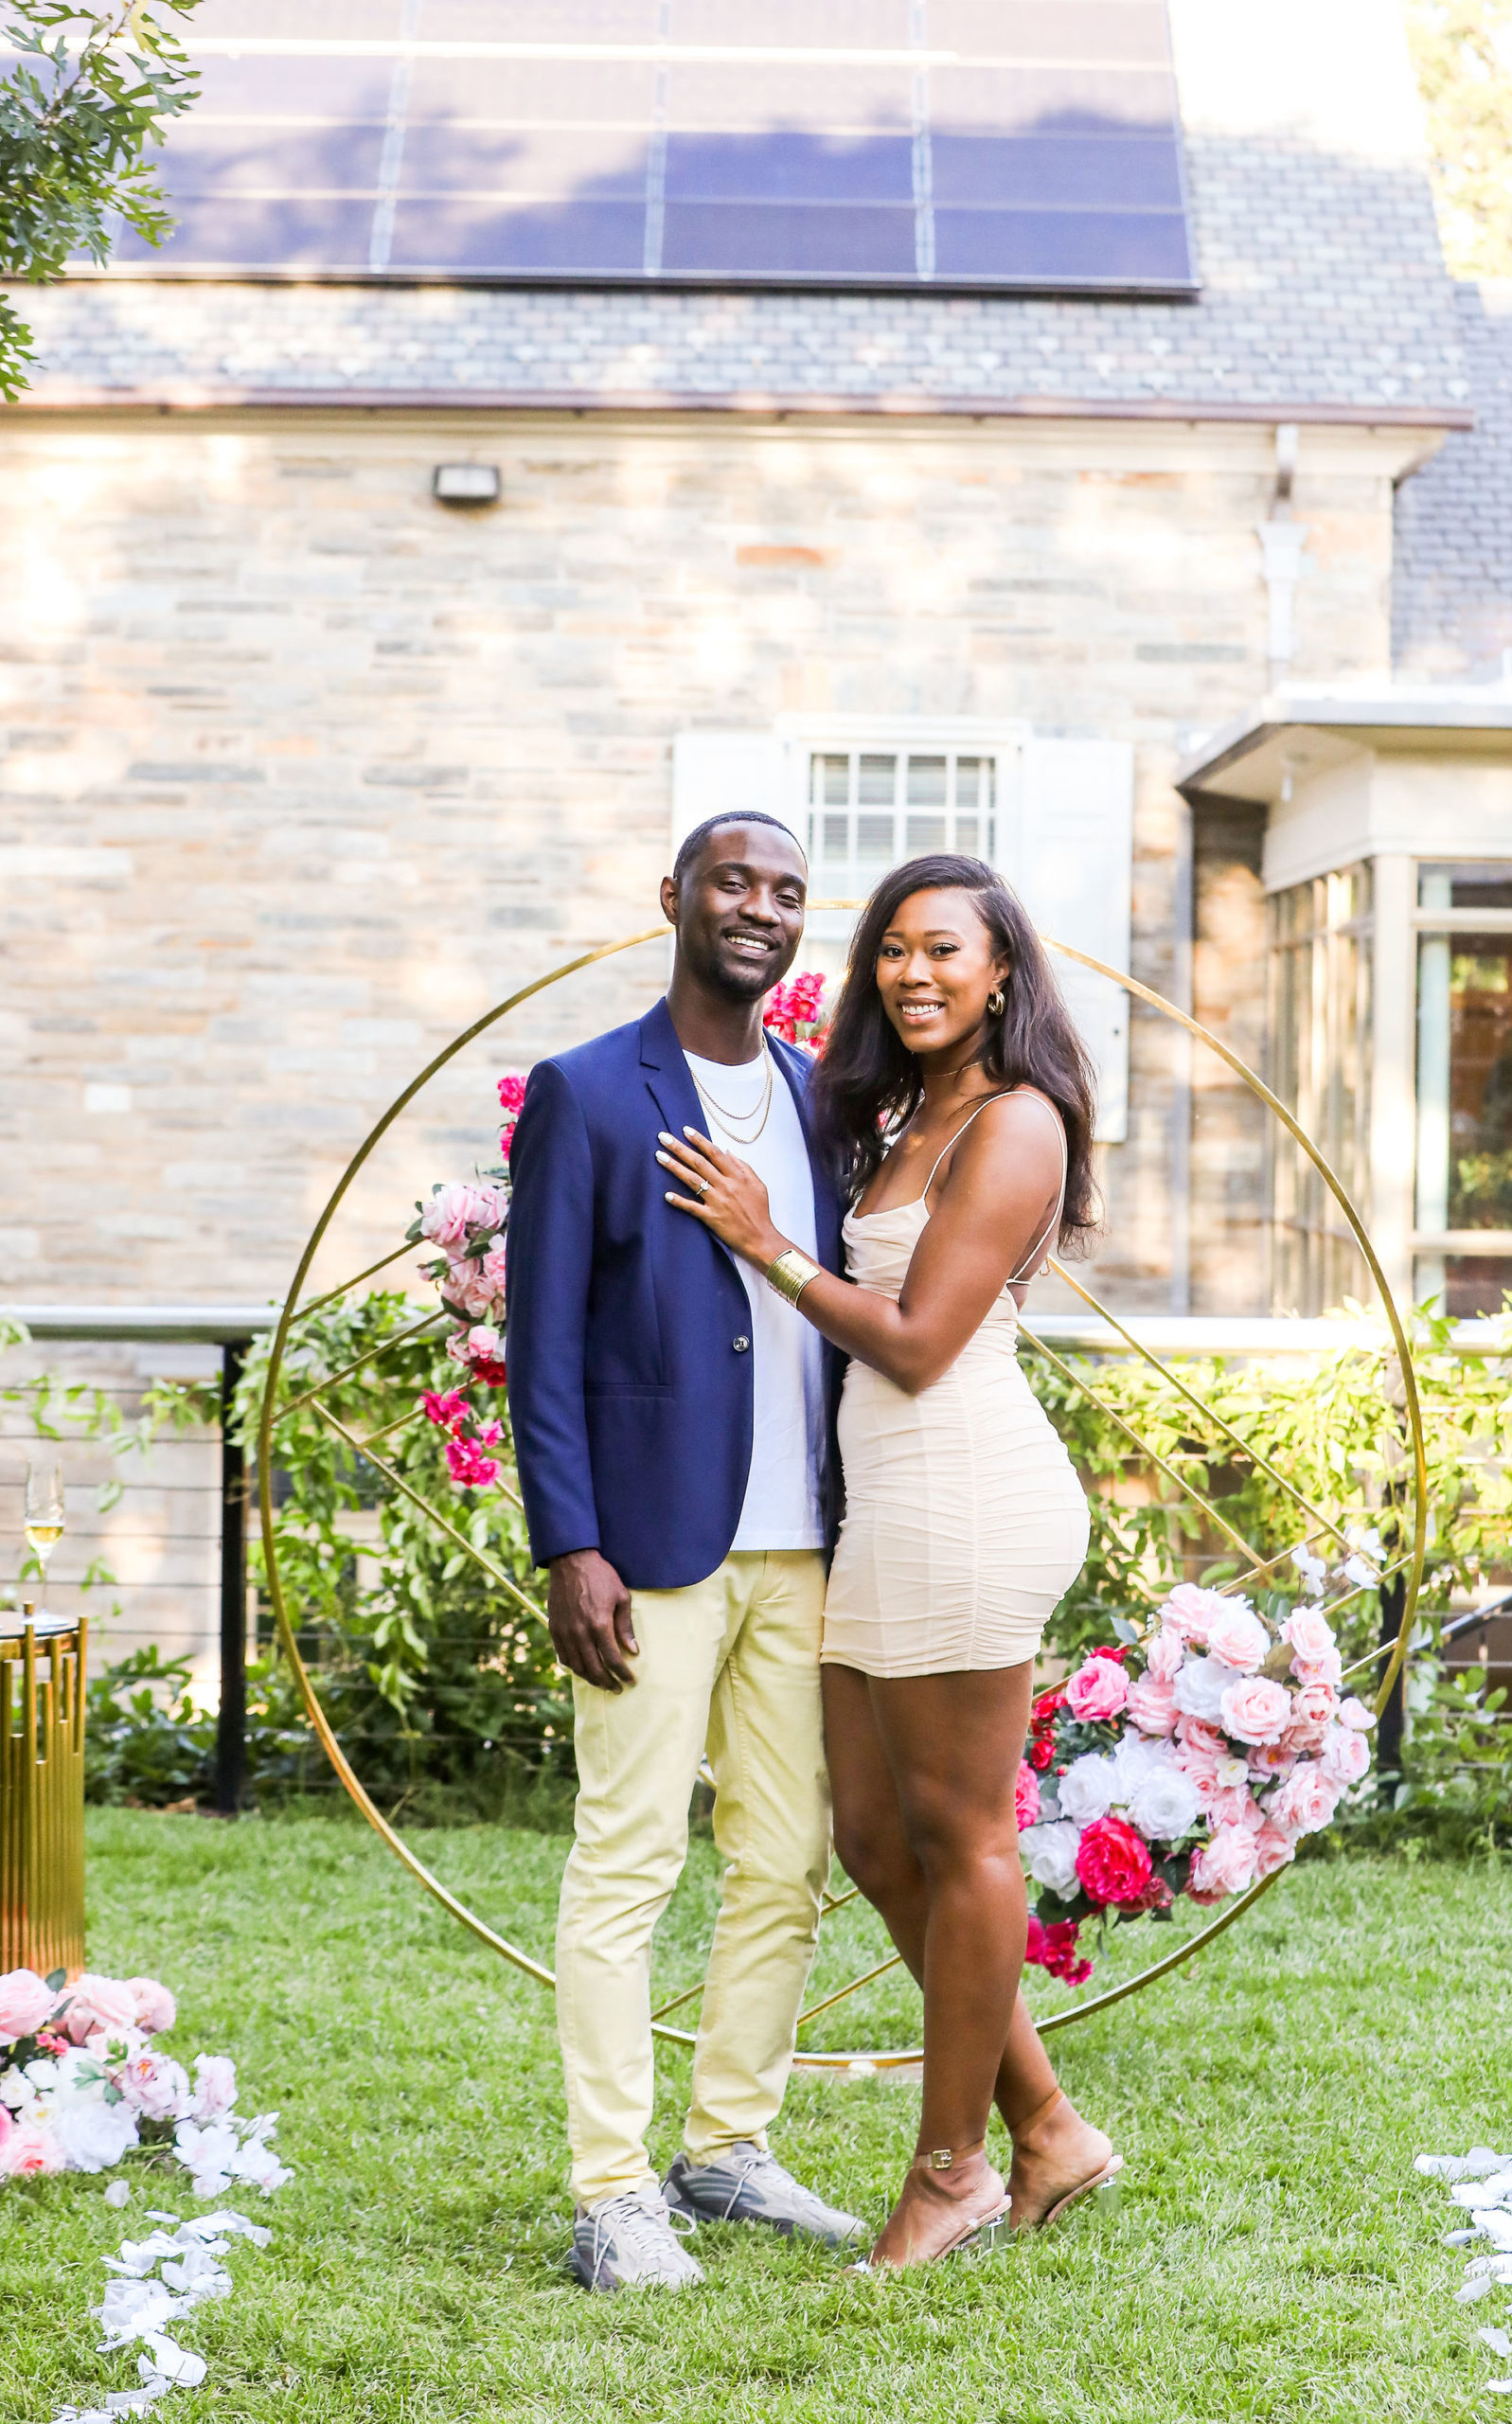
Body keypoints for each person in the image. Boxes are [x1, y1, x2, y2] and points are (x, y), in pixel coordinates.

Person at [657, 852, 1119, 2270]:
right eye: (893, 954)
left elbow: (918, 1345)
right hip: (887, 1509)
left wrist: (768, 1247)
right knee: (870, 1834)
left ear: (1001, 977)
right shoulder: (909, 1114)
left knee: (966, 1843)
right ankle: (1051, 2129)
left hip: (969, 1495)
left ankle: (955, 2166)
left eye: (946, 953)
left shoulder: (1018, 1126)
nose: (915, 975)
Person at [504, 810, 863, 2293]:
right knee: (627, 1863)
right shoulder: (590, 1094)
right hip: (651, 1545)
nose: (760, 908)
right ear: (674, 898)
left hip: (806, 1547)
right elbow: (542, 1343)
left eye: (786, 891)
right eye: (734, 880)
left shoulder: (821, 1099)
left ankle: (725, 2150)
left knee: (782, 1863)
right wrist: (568, 1541)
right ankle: (612, 2193)